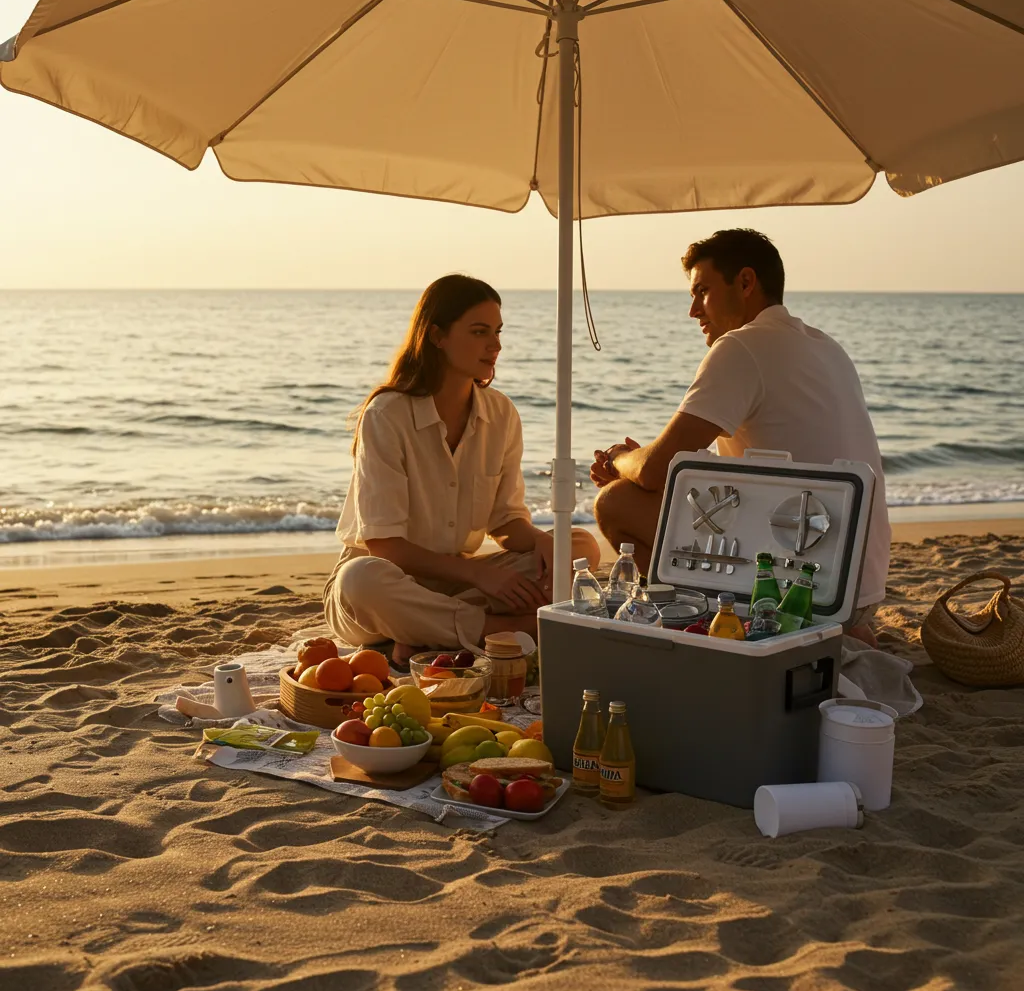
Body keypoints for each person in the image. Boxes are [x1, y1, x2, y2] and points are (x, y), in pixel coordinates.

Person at [590, 229, 890, 641]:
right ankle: (846, 633)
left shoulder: (741, 348)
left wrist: (616, 461)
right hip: (858, 585)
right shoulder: (825, 346)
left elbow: (654, 471)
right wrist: (641, 464)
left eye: (703, 291)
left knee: (615, 502)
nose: (694, 310)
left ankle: (692, 626)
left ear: (746, 282)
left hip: (804, 584)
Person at [324, 274, 600, 666]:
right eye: (479, 331)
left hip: (456, 588)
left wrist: (541, 542)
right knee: (360, 580)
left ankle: (429, 637)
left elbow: (505, 523)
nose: (495, 345)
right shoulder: (387, 416)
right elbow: (385, 547)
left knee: (578, 547)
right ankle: (503, 628)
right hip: (383, 592)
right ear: (437, 336)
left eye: (498, 332)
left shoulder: (501, 413)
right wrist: (479, 576)